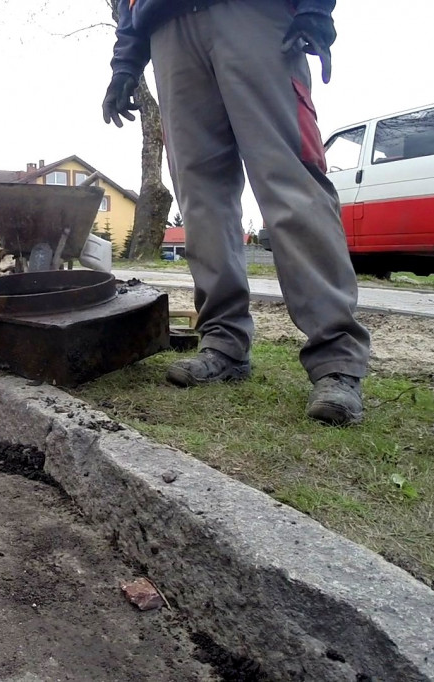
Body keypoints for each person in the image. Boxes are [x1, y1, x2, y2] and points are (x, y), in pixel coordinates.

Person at [101, 0, 371, 426]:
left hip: (254, 14)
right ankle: (224, 344)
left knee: (290, 181)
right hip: (167, 32)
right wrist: (126, 60)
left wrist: (316, 8)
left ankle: (337, 357)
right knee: (200, 198)